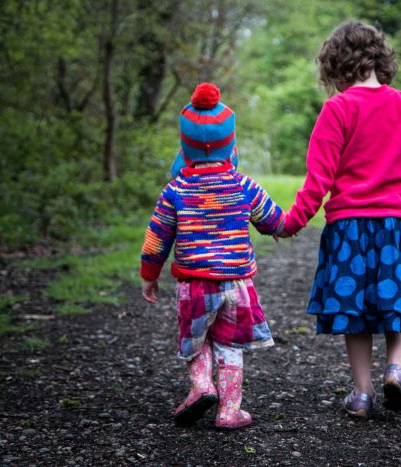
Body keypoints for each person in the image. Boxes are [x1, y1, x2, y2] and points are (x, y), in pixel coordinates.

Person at [278, 21, 401, 419]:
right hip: (394, 226)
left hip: (348, 229)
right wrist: (399, 154)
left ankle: (361, 393)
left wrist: (292, 222)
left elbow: (317, 180)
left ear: (336, 67)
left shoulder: (336, 109)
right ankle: (395, 369)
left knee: (354, 312)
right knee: (397, 302)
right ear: (380, 61)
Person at [140, 83, 284, 429]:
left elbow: (157, 236)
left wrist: (149, 274)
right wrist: (285, 227)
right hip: (237, 283)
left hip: (194, 283)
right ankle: (229, 412)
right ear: (230, 143)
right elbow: (272, 218)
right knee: (230, 345)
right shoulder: (244, 185)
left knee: (197, 339)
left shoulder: (176, 189)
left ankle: (202, 386)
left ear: (185, 147)